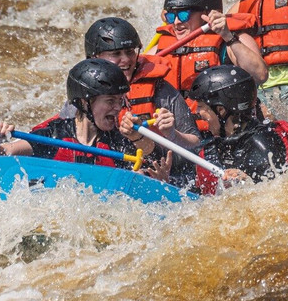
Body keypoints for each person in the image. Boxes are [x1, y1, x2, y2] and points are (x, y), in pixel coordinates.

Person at [84, 16, 201, 186]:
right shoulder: (85, 90)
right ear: (95, 57)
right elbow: (69, 130)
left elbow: (196, 148)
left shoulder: (161, 90)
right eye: (116, 54)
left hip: (163, 172)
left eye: (130, 52)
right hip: (109, 171)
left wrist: (173, 134)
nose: (126, 60)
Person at [0, 58, 150, 168]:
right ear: (84, 102)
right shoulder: (53, 135)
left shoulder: (118, 142)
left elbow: (142, 172)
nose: (117, 108)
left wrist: (159, 178)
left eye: (120, 101)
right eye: (110, 101)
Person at [187, 65, 288, 194]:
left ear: (221, 110)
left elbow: (281, 197)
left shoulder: (263, 145)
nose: (197, 112)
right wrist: (163, 178)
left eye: (200, 106)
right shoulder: (213, 150)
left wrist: (248, 183)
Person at [151, 0, 267, 92]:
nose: (176, 22)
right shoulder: (162, 48)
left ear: (207, 13)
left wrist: (227, 36)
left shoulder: (233, 39)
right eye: (171, 16)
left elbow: (260, 75)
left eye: (183, 15)